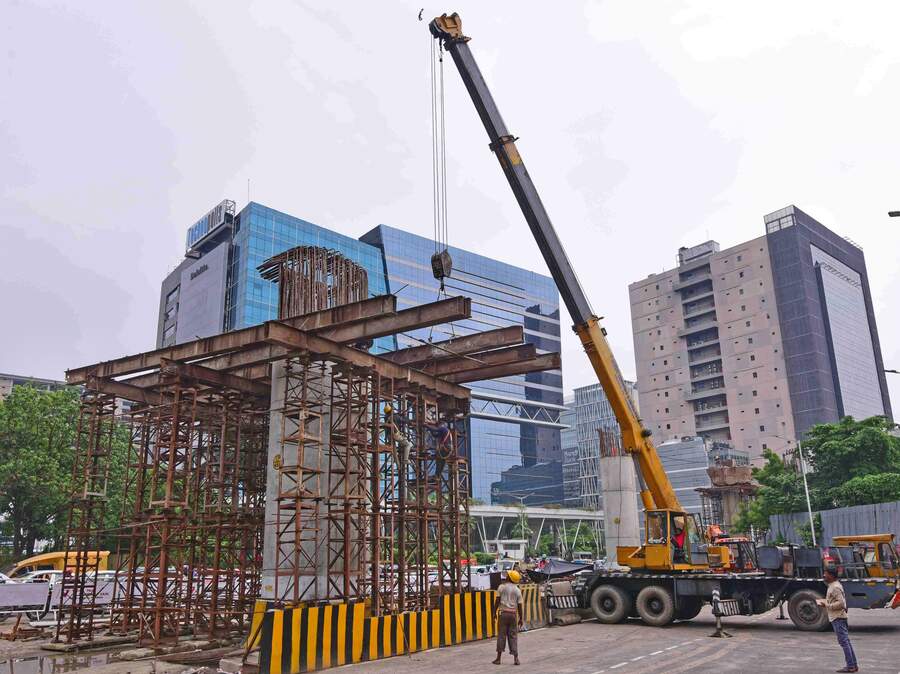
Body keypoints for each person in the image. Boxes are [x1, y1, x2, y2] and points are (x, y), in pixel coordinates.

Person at [818, 567, 858, 672]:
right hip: (838, 617)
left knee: (844, 642)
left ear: (831, 575)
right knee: (846, 642)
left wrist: (827, 605)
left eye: (825, 573)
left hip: (838, 617)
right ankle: (853, 665)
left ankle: (851, 666)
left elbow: (841, 603)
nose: (824, 575)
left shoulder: (835, 587)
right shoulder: (833, 585)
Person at [492, 569, 523, 666]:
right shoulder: (517, 590)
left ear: (509, 577)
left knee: (501, 635)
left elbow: (497, 601)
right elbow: (520, 605)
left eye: (507, 575)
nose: (506, 576)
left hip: (503, 614)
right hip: (513, 615)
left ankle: (498, 659)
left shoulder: (501, 587)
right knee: (513, 636)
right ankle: (516, 658)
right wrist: (521, 618)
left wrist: (494, 612)